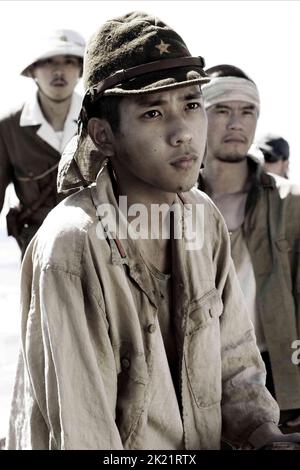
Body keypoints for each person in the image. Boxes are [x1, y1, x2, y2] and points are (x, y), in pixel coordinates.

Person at [6, 13, 300, 450]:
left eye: (192, 104)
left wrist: (263, 435)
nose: (183, 132)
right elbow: (84, 432)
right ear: (103, 135)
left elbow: (235, 365)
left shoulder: (201, 217)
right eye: (153, 112)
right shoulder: (74, 245)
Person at [199, 64, 300, 433]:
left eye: (247, 111)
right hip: (197, 372)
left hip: (276, 370)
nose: (236, 123)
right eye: (222, 110)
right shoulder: (173, 202)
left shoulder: (290, 201)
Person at [0, 29, 85, 256]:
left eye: (69, 61)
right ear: (33, 71)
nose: (59, 71)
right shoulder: (8, 126)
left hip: (95, 245)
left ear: (80, 71)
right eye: (48, 62)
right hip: (37, 248)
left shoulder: (98, 119)